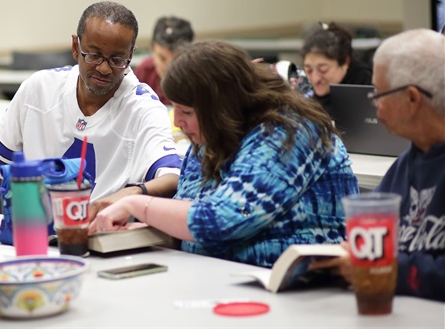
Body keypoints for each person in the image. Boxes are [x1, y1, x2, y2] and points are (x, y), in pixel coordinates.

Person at [89, 40, 359, 268]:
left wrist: (137, 204)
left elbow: (220, 221)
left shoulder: (291, 132)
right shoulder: (211, 135)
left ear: (221, 106)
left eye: (187, 112)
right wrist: (135, 232)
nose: (178, 123)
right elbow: (189, 213)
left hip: (300, 290)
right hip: (219, 278)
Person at [0, 1, 182, 206]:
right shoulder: (39, 89)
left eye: (117, 60)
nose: (104, 68)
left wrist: (133, 194)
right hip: (35, 232)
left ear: (131, 55)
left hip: (102, 236)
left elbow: (171, 177)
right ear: (75, 47)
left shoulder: (144, 108)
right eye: (94, 55)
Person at [309, 28, 445, 302]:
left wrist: (378, 269)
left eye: (380, 94)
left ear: (412, 99)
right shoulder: (408, 161)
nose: (375, 106)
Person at [301, 22, 372, 114]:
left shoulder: (367, 87)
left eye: (323, 70)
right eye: (308, 70)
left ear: (345, 62)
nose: (315, 79)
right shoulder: (303, 89)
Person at [134, 16, 194, 106]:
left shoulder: (196, 78)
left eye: (176, 59)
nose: (168, 66)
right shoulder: (144, 72)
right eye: (162, 58)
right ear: (152, 49)